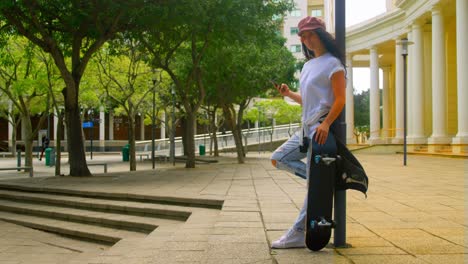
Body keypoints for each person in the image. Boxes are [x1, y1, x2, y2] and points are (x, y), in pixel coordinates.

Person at [270, 16, 346, 249]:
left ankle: (297, 233)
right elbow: (309, 101)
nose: (306, 39)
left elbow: (340, 99)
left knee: (312, 186)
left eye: (310, 34)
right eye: (302, 36)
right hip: (305, 130)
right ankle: (320, 180)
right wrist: (289, 94)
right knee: (278, 158)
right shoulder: (308, 65)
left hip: (320, 131)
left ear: (320, 34)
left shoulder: (334, 64)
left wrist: (325, 124)